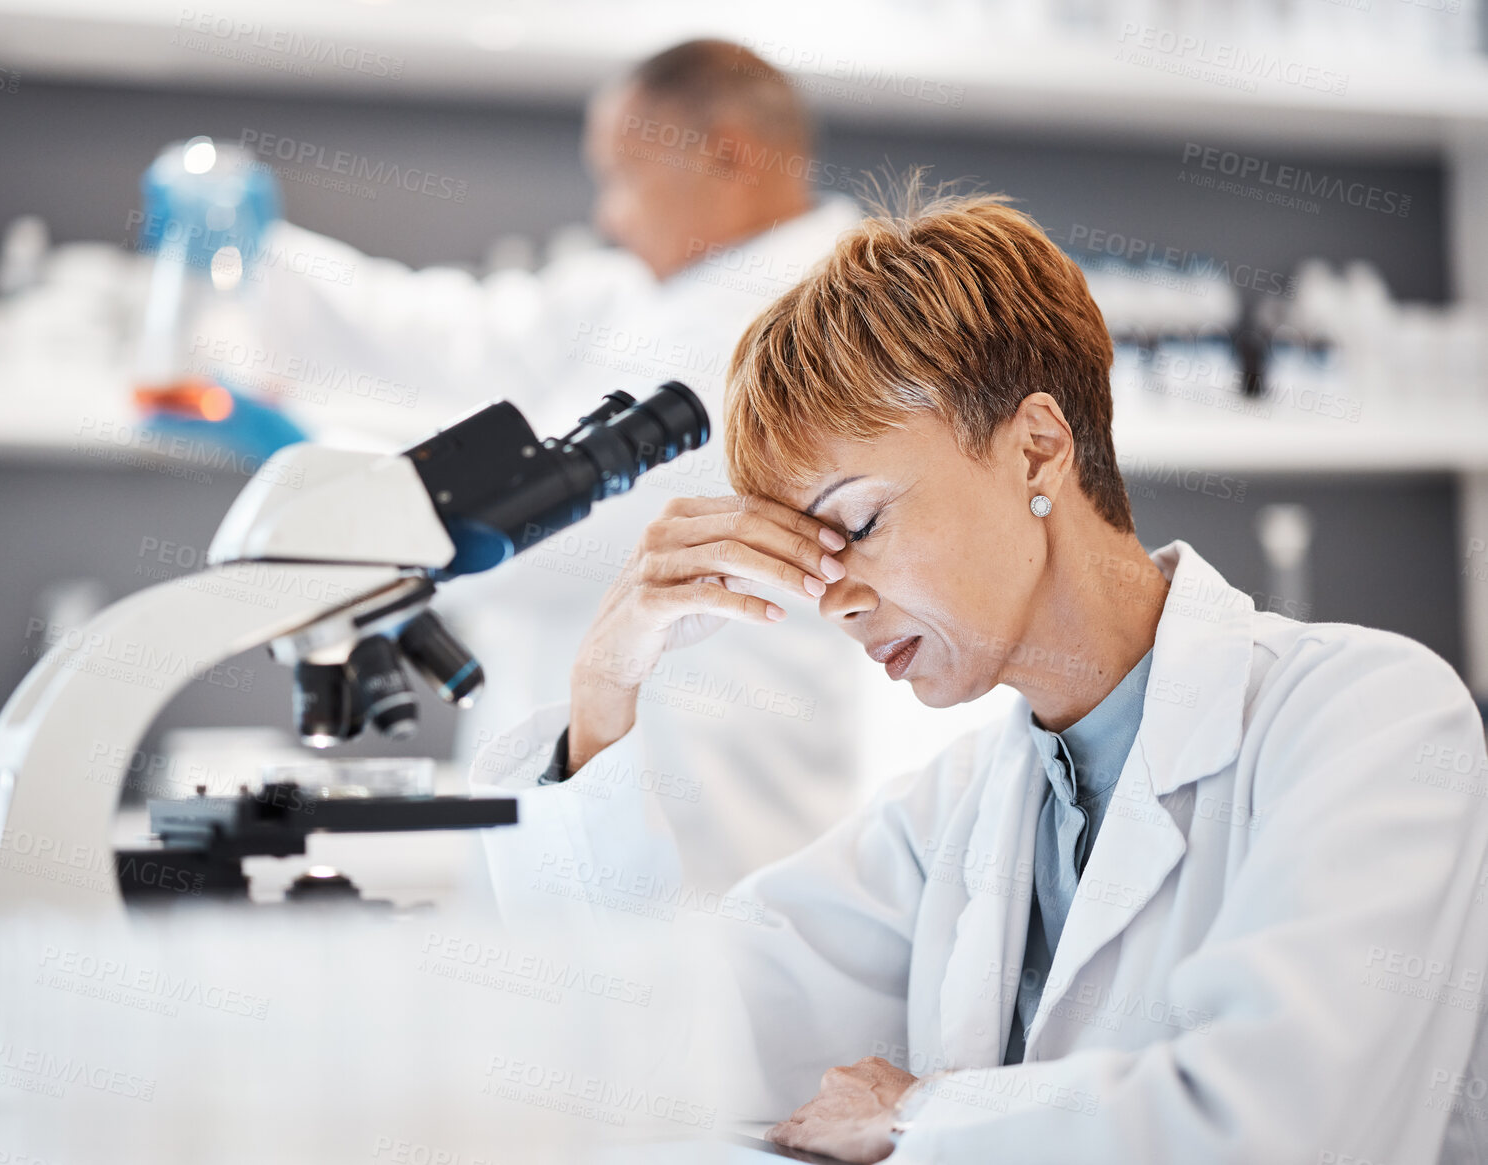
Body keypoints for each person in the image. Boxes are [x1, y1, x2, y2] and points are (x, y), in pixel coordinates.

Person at [469, 187, 1488, 1162]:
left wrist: (922, 1118)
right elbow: (657, 1047)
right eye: (811, 555)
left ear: (1037, 450)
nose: (836, 600)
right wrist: (603, 694)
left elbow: (1276, 1125)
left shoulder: (1370, 721)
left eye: (858, 524)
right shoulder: (953, 817)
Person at [251, 41, 877, 890]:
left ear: (727, 154)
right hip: (595, 797)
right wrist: (263, 255)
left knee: (689, 996)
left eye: (624, 174)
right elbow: (458, 332)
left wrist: (308, 465)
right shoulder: (646, 291)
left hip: (709, 802)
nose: (610, 216)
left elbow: (534, 540)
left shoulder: (794, 324)